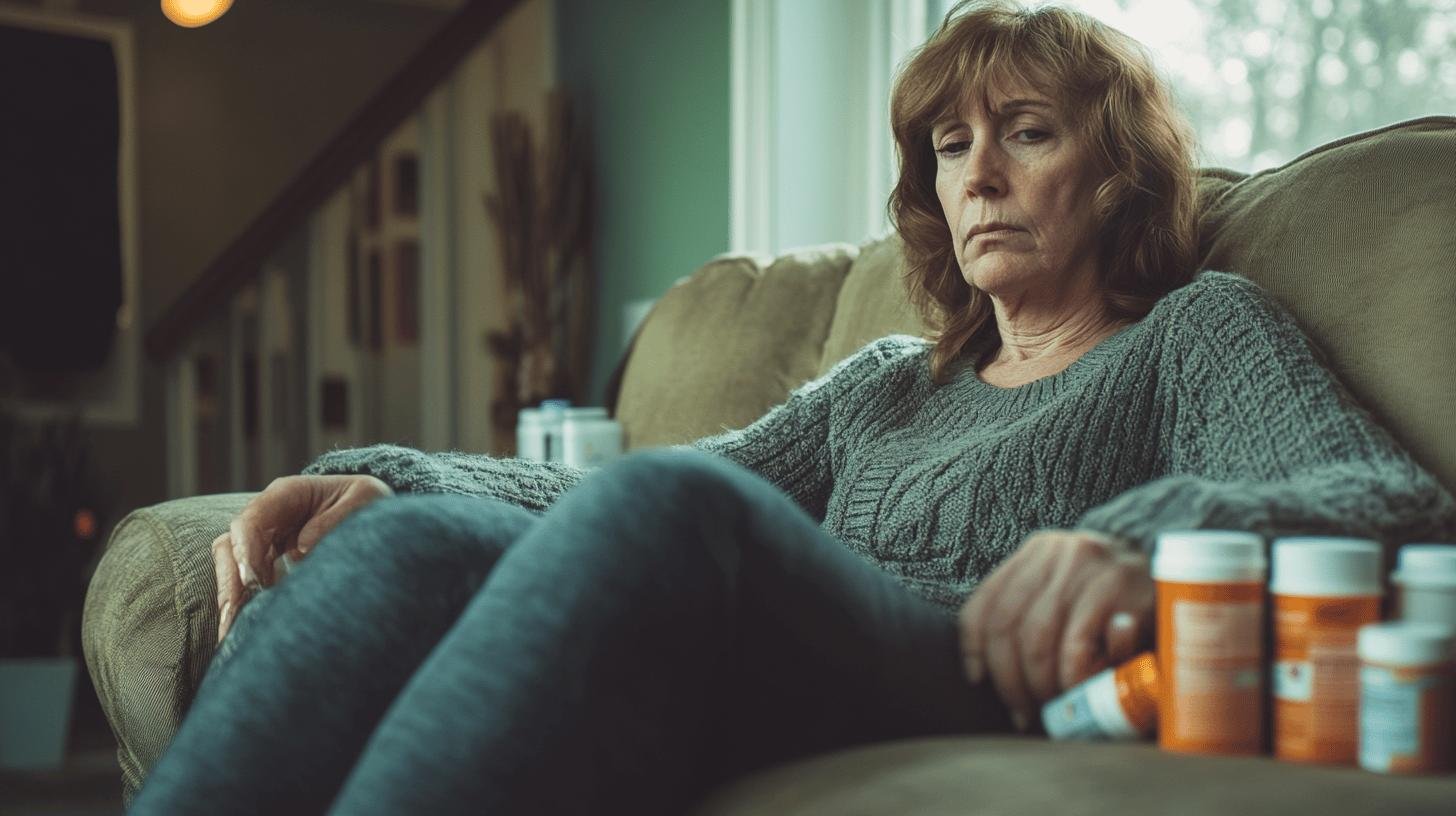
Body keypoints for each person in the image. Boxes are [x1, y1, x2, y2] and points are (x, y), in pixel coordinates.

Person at [131, 2, 1456, 814]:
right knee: (406, 544)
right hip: (788, 650)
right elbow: (618, 498)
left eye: (1029, 133)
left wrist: (1148, 538)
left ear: (1117, 177)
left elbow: (1392, 500)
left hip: (967, 666)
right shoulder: (889, 384)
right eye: (951, 147)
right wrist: (399, 479)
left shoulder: (1194, 334)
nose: (980, 174)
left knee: (680, 504)